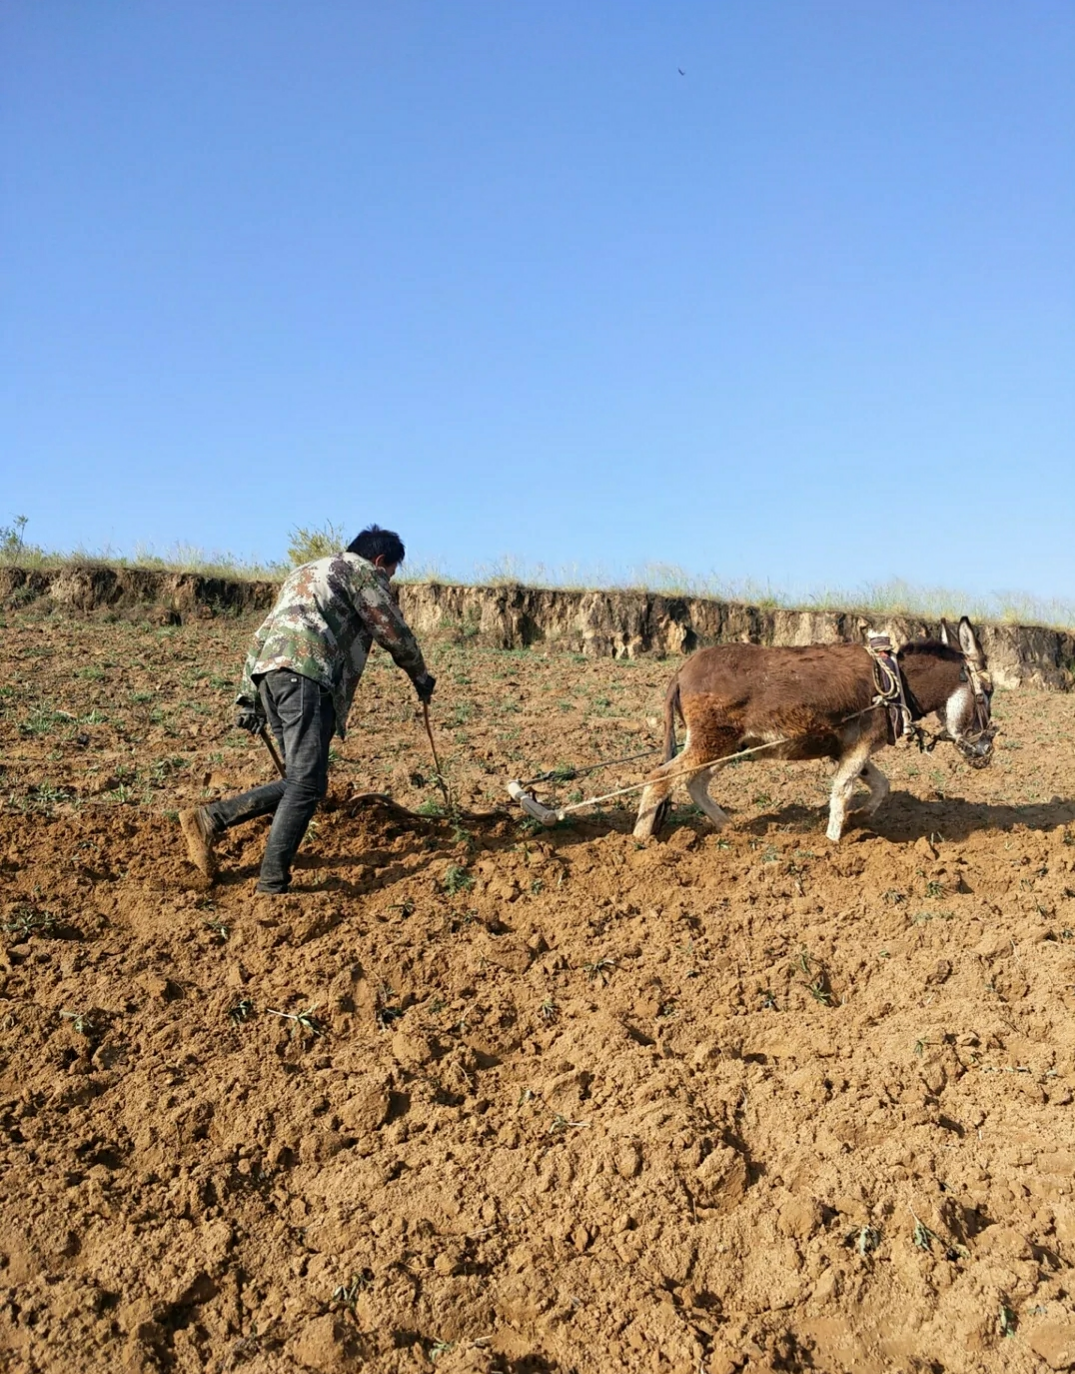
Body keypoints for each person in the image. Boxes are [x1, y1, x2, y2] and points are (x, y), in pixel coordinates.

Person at [179, 524, 435, 893]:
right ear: (380, 561)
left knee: (301, 780)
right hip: (306, 676)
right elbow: (391, 629)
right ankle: (269, 880)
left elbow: (266, 630)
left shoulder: (305, 572)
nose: (388, 581)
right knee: (306, 782)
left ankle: (211, 820)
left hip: (270, 675)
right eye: (391, 574)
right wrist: (420, 675)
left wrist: (249, 697)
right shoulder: (361, 572)